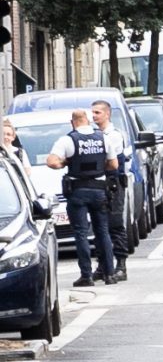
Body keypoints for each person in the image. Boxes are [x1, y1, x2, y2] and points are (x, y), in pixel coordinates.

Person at [46, 109, 118, 287]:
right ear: (87, 121)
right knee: (102, 231)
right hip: (99, 190)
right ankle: (109, 273)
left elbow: (51, 162)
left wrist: (66, 162)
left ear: (73, 122)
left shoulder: (68, 140)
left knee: (81, 233)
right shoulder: (103, 138)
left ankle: (86, 275)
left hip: (78, 191)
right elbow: (114, 164)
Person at [92, 100, 130, 282]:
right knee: (100, 226)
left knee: (115, 225)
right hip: (99, 185)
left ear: (107, 114)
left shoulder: (113, 135)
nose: (94, 116)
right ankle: (102, 265)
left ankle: (121, 265)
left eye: (97, 112)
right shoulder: (95, 135)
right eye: (93, 112)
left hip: (113, 185)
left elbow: (109, 163)